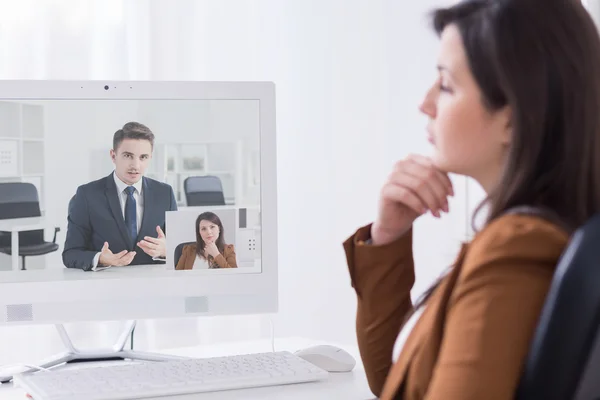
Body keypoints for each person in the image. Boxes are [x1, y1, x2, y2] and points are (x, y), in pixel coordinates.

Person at [342, 0, 600, 399]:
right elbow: (398, 380)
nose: (425, 103)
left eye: (446, 85)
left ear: (512, 119)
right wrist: (388, 236)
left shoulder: (517, 246)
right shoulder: (532, 232)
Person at [63, 122, 177, 271]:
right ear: (113, 155)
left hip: (153, 284)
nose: (135, 165)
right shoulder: (87, 195)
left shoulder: (165, 193)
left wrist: (166, 250)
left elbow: (182, 249)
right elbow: (70, 254)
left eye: (143, 157)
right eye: (128, 156)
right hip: (105, 285)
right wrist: (100, 259)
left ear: (150, 158)